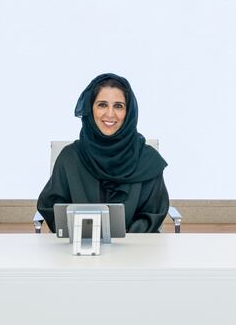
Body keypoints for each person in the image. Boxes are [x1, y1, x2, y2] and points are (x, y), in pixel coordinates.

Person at [37, 73, 170, 233]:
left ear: (129, 112)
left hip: (134, 251)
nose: (110, 114)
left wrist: (121, 239)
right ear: (90, 109)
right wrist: (84, 234)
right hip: (80, 250)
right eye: (102, 105)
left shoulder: (148, 160)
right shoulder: (70, 157)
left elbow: (153, 213)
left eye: (118, 106)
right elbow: (52, 207)